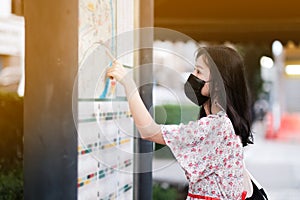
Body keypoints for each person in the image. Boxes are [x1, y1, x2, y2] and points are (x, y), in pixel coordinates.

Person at [107, 45, 267, 200]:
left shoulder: (217, 126)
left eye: (198, 71)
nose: (192, 75)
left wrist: (128, 83)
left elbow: (150, 131)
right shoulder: (223, 122)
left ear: (218, 83)